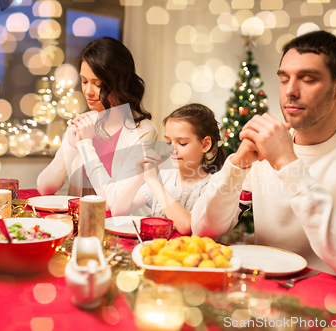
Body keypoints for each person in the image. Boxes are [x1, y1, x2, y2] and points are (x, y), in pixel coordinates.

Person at [191, 31, 336, 286]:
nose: (290, 91)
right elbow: (204, 229)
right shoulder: (267, 143)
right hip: (264, 297)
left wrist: (287, 164)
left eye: (308, 79)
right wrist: (237, 165)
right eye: (284, 79)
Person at [37, 37, 157, 213]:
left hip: (117, 229)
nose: (87, 91)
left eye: (98, 84)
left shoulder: (143, 131)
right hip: (78, 224)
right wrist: (71, 145)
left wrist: (85, 145)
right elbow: (45, 187)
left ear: (120, 83)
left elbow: (113, 202)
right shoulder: (83, 122)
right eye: (84, 81)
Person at [111, 103, 226, 235]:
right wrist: (140, 176)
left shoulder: (213, 186)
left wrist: (154, 182)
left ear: (205, 144)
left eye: (182, 143)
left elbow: (186, 226)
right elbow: (118, 212)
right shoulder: (164, 177)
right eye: (168, 142)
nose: (172, 150)